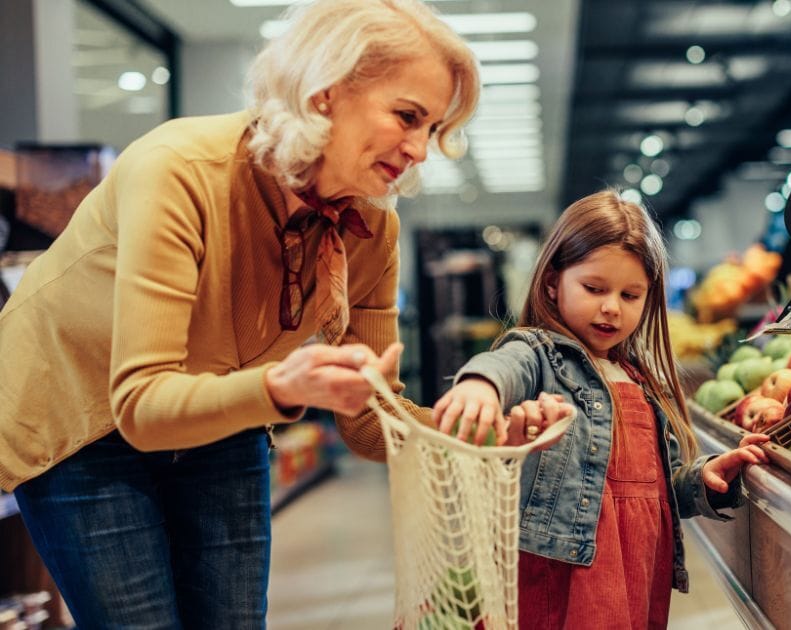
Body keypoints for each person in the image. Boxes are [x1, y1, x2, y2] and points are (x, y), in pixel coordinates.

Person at [0, 1, 567, 627]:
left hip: (222, 410)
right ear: (325, 92)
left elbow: (369, 425)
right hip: (79, 420)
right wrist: (282, 386)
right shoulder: (181, 172)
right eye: (407, 116)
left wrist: (485, 435)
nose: (419, 150)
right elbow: (139, 404)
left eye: (431, 129)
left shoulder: (370, 228)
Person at [431, 190, 771, 629]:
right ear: (553, 282)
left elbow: (660, 486)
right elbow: (504, 365)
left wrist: (703, 481)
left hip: (639, 569)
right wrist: (480, 387)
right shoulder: (541, 353)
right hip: (563, 571)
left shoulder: (641, 379)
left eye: (631, 295)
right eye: (594, 288)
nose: (611, 307)